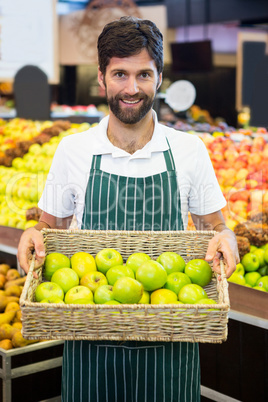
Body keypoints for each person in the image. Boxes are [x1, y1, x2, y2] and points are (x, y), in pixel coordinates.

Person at [18, 16, 239, 402]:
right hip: (92, 347)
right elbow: (48, 226)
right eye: (120, 74)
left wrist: (226, 239)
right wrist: (34, 234)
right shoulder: (73, 150)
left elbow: (215, 226)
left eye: (144, 75)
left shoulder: (189, 151)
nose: (132, 88)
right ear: (102, 77)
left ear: (159, 77)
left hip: (170, 344)